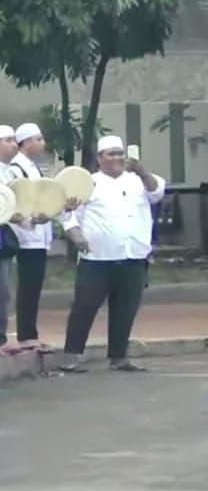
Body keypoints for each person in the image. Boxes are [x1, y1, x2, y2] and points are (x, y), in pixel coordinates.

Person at [57, 136, 165, 373]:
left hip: (132, 257)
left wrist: (142, 171)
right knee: (84, 307)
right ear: (99, 158)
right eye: (110, 154)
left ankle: (119, 357)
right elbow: (68, 215)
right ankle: (72, 355)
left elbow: (156, 193)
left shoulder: (139, 180)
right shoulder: (89, 183)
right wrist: (76, 236)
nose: (116, 158)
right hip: (96, 259)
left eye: (119, 153)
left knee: (125, 309)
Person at [8, 123, 57, 353]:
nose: (42, 143)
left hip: (38, 236)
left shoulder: (33, 167)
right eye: (38, 139)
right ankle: (26, 336)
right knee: (28, 287)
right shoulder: (16, 168)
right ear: (26, 142)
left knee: (33, 287)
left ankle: (30, 334)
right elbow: (17, 202)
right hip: (26, 236)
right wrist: (31, 220)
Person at [0, 124, 17, 356]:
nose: (14, 145)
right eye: (8, 140)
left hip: (3, 238)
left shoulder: (11, 173)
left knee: (3, 290)